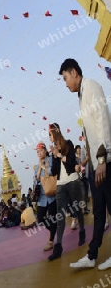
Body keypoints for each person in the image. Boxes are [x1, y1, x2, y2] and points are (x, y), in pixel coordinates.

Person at [60, 59, 111, 270]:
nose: (65, 83)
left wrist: (101, 160)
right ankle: (91, 256)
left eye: (65, 78)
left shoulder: (90, 86)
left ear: (74, 72)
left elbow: (103, 120)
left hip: (105, 162)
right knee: (98, 211)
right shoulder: (81, 95)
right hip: (95, 165)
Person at [47, 123, 85, 261]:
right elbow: (54, 171)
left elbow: (71, 163)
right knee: (60, 216)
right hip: (60, 185)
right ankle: (58, 247)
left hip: (73, 181)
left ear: (56, 133)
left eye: (50, 134)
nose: (49, 137)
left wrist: (59, 154)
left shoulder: (68, 143)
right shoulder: (53, 152)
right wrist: (50, 162)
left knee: (77, 209)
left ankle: (82, 231)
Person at [34, 141, 57, 252]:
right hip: (42, 197)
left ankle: (51, 240)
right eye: (37, 152)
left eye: (41, 151)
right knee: (40, 218)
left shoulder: (50, 160)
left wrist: (45, 168)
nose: (39, 153)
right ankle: (53, 230)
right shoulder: (38, 165)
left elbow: (53, 172)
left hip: (52, 194)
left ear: (45, 150)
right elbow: (36, 179)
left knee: (53, 218)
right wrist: (40, 167)